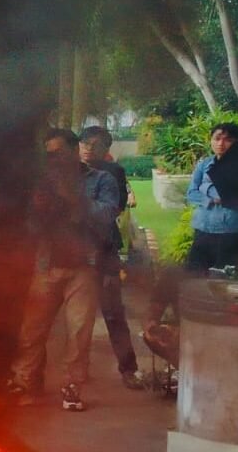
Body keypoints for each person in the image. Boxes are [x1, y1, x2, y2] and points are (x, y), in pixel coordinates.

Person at [9, 128, 121, 412]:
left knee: (79, 334)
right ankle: (26, 382)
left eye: (58, 152)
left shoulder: (101, 179)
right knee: (31, 331)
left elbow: (108, 216)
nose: (53, 159)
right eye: (48, 154)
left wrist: (74, 199)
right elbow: (30, 225)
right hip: (47, 266)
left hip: (84, 268)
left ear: (74, 151)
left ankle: (72, 386)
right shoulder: (42, 183)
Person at [79, 126, 143, 389]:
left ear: (106, 149)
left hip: (104, 251)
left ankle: (128, 368)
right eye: (84, 142)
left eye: (96, 144)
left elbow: (111, 211)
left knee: (113, 313)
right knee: (75, 318)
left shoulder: (112, 173)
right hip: (72, 252)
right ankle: (77, 370)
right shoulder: (66, 172)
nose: (88, 148)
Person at [185, 122, 238, 272]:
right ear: (211, 140)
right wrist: (210, 198)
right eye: (217, 138)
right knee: (195, 275)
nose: (221, 143)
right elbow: (191, 193)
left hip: (230, 229)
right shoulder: (204, 165)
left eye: (228, 140)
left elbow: (236, 194)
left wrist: (205, 187)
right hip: (203, 227)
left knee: (224, 276)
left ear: (236, 143)